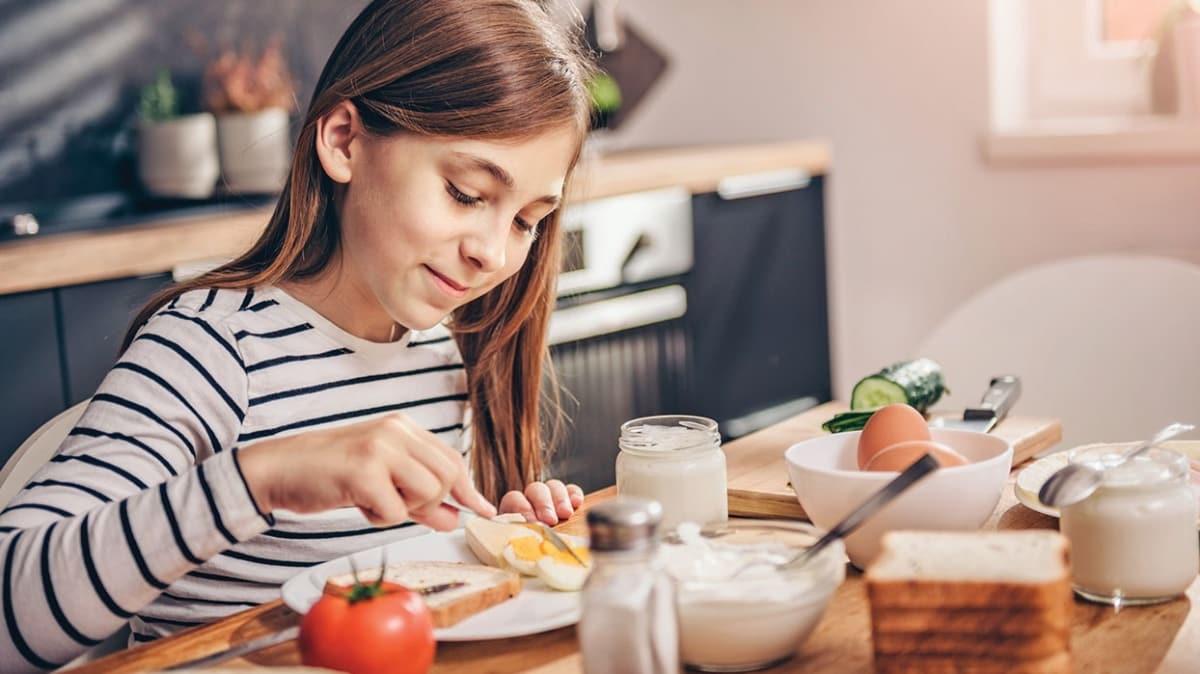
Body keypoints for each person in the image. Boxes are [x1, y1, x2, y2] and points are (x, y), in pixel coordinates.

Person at [0, 0, 596, 668]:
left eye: (525, 220)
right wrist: (262, 479)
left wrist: (490, 540)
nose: (494, 252)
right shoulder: (211, 351)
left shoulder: (439, 355)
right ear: (344, 141)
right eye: (465, 192)